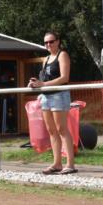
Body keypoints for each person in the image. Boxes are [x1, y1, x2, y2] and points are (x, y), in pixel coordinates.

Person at [29, 30, 77, 175]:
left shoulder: (63, 55)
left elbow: (64, 78)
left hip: (59, 95)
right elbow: (44, 78)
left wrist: (43, 84)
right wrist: (35, 83)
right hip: (46, 96)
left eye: (51, 41)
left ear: (58, 41)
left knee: (62, 129)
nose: (48, 44)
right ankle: (57, 163)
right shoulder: (46, 59)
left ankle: (70, 164)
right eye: (46, 42)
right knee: (51, 130)